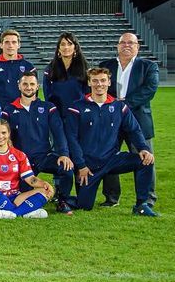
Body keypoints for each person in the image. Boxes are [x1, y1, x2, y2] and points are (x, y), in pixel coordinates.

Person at [65, 67, 157, 215]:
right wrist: (81, 165)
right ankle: (63, 200)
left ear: (109, 82)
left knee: (146, 161)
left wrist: (143, 148)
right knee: (84, 206)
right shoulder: (77, 107)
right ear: (89, 83)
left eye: (103, 80)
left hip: (112, 159)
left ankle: (141, 204)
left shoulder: (119, 106)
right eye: (95, 81)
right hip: (88, 166)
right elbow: (72, 139)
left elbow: (134, 129)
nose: (99, 84)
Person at [2, 71, 75, 214]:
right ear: (19, 86)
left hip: (44, 156)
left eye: (32, 84)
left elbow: (58, 132)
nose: (28, 87)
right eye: (25, 84)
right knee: (22, 194)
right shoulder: (9, 109)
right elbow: (5, 137)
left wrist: (64, 154)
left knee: (66, 168)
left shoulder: (48, 107)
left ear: (37, 87)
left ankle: (62, 200)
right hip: (21, 160)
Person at [100, 33, 159, 208]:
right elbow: (98, 87)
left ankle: (147, 199)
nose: (127, 45)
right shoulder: (106, 66)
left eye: (131, 43)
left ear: (137, 47)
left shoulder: (148, 66)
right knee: (108, 157)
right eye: (123, 42)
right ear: (117, 46)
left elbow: (149, 89)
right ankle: (111, 197)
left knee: (144, 158)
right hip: (112, 121)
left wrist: (124, 105)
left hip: (138, 121)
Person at [0, 119, 54, 218]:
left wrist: (44, 184)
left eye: (4, 133)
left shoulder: (19, 155)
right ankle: (25, 212)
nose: (0, 136)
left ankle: (12, 213)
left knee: (45, 190)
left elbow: (30, 179)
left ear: (9, 134)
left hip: (16, 197)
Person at [0, 29, 35, 108]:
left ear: (19, 45)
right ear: (1, 45)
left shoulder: (29, 67)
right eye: (7, 42)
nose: (10, 45)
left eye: (14, 42)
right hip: (1, 113)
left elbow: (34, 93)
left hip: (24, 113)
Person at [42, 32, 89, 115]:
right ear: (59, 48)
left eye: (69, 44)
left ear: (75, 48)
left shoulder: (85, 69)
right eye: (63, 44)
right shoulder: (50, 69)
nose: (66, 47)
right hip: (57, 116)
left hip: (79, 115)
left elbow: (88, 94)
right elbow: (47, 96)